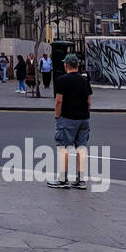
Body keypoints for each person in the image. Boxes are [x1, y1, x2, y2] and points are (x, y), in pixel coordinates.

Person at [50, 54, 93, 189]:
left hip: (68, 118)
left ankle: (63, 179)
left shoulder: (62, 80)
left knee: (63, 147)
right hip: (84, 118)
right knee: (81, 148)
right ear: (78, 66)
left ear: (66, 65)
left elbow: (58, 101)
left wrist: (58, 117)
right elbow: (89, 101)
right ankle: (80, 180)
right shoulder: (85, 80)